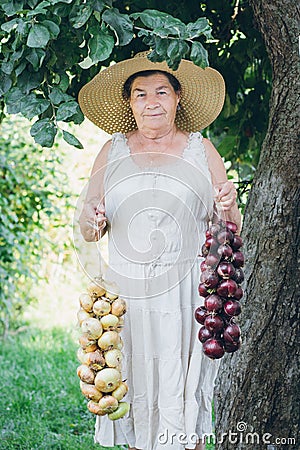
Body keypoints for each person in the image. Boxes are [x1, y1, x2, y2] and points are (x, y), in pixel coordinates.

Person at [78, 51, 241, 450]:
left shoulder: (201, 151)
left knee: (182, 399)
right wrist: (94, 220)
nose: (152, 101)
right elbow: (86, 226)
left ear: (178, 98)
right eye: (140, 94)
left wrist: (228, 204)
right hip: (126, 298)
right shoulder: (110, 151)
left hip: (188, 296)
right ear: (130, 104)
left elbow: (231, 228)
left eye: (161, 91)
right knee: (135, 394)